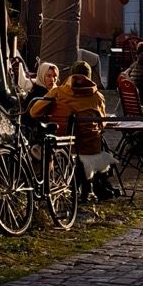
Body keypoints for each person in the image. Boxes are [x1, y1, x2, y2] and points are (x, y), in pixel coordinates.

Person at [30, 62, 118, 197]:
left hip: (65, 141)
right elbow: (102, 123)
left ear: (71, 75)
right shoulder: (97, 96)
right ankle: (94, 186)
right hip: (89, 145)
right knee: (100, 141)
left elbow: (34, 112)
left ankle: (81, 185)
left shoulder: (58, 92)